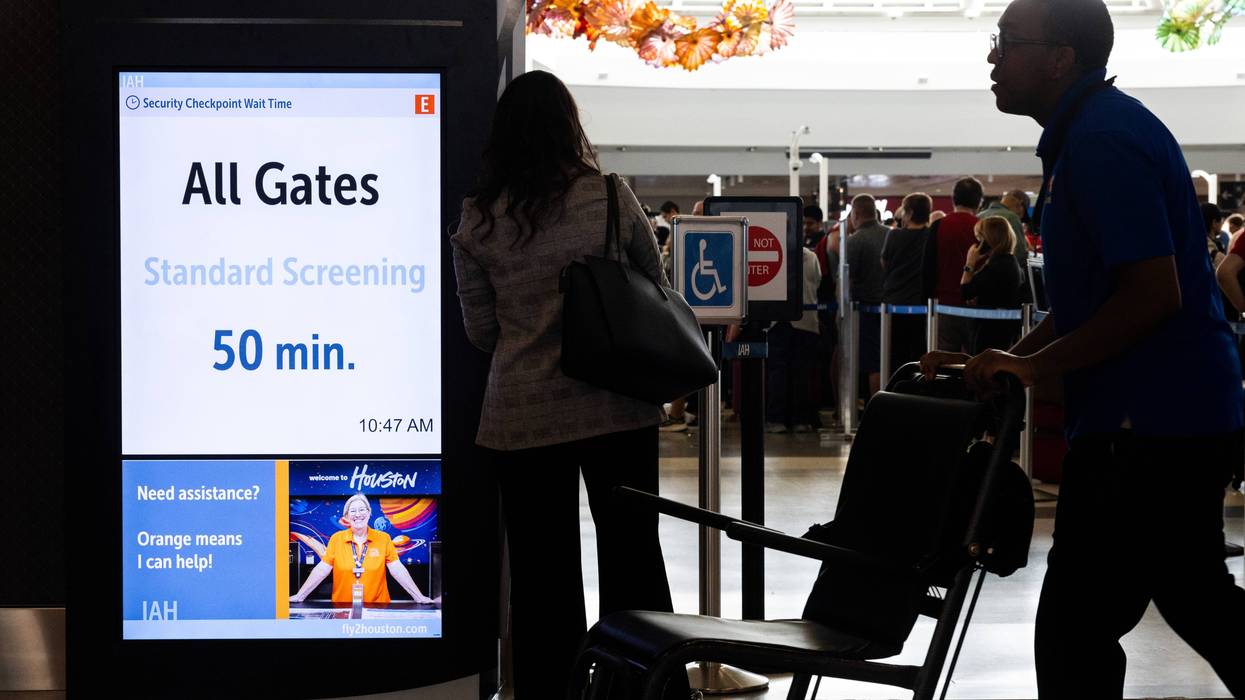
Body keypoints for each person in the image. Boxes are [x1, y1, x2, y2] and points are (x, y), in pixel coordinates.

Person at [922, 0, 1245, 695]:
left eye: (1006, 42)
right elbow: (1091, 302)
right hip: (1165, 419)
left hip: (1150, 426)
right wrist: (1005, 356)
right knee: (1183, 600)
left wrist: (1033, 366)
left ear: (1060, 57)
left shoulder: (1101, 141)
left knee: (1078, 628)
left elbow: (1153, 294)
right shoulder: (1087, 135)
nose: (991, 57)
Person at [449, 71, 674, 698]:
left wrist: (532, 340)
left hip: (522, 417)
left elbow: (481, 330)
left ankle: (552, 690)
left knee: (541, 571)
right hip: (615, 404)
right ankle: (645, 688)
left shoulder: (477, 219)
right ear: (568, 125)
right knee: (633, 555)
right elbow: (653, 289)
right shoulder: (606, 195)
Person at [289, 494, 435, 606]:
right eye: (352, 511)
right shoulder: (336, 539)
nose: (358, 514)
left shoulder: (383, 538)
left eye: (362, 509)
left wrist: (419, 597)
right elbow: (322, 570)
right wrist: (300, 595)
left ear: (369, 512)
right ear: (346, 517)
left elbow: (397, 570)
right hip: (342, 609)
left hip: (378, 609)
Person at [922, 176, 983, 353]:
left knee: (943, 364)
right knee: (974, 364)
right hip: (976, 309)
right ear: (979, 201)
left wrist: (928, 302)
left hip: (943, 307)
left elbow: (928, 268)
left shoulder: (939, 226)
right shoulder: (982, 227)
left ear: (953, 199)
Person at [881, 192, 933, 371]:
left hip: (894, 303)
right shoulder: (931, 236)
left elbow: (884, 263)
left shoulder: (894, 236)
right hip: (922, 304)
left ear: (909, 213)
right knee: (919, 352)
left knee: (895, 355)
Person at [844, 194, 889, 398]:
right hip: (890, 306)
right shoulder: (891, 234)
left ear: (856, 214)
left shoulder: (855, 240)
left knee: (872, 362)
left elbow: (848, 278)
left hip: (865, 308)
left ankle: (874, 409)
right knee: (887, 359)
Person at [960, 216, 1023, 352]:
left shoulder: (997, 266)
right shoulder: (1008, 261)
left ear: (988, 240)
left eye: (979, 238)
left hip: (990, 331)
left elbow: (966, 291)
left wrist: (969, 263)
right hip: (1001, 328)